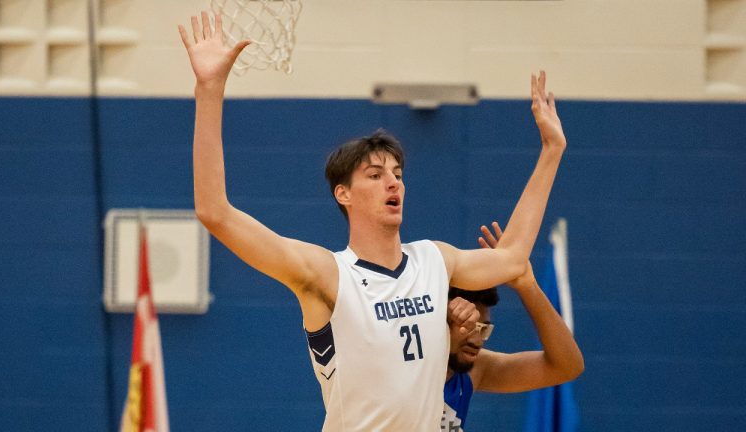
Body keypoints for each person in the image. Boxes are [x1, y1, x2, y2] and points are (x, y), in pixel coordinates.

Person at [178, 11, 567, 431]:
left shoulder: (434, 260)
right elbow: (214, 212)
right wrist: (209, 89)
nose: (392, 183)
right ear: (343, 194)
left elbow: (512, 258)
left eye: (398, 174)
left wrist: (551, 150)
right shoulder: (327, 273)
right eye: (376, 175)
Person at [443, 222, 584, 431]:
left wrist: (527, 285)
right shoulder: (400, 359)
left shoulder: (474, 370)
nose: (476, 340)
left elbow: (567, 366)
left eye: (483, 329)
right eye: (468, 325)